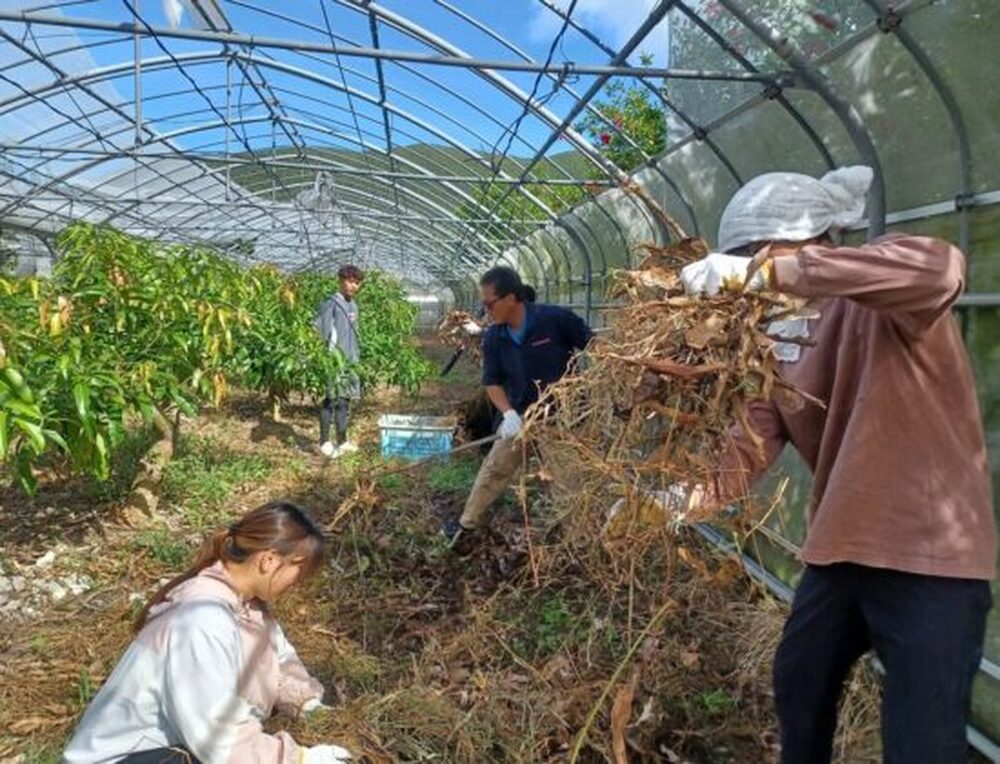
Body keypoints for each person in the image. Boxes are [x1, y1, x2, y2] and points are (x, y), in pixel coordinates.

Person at [661, 166, 994, 763]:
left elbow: (942, 268)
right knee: (800, 685)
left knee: (922, 742)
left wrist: (772, 273)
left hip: (929, 557)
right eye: (740, 262)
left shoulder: (884, 297)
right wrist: (677, 501)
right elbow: (748, 444)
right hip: (839, 551)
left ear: (810, 242)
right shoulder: (781, 340)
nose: (748, 275)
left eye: (755, 256)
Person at [63, 502, 351, 764]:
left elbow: (279, 664)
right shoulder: (200, 618)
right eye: (299, 570)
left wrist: (307, 704)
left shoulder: (249, 609)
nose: (298, 582)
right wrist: (296, 759)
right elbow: (217, 736)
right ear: (269, 560)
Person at [442, 266, 593, 547]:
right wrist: (509, 414)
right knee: (494, 469)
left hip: (562, 418)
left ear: (511, 298)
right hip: (521, 417)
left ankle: (580, 542)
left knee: (568, 480)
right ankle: (466, 526)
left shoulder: (554, 320)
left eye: (489, 304)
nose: (486, 311)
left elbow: (596, 346)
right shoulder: (494, 337)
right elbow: (492, 382)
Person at [315, 265, 364, 459]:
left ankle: (342, 441)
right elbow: (322, 332)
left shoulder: (353, 305)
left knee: (345, 400)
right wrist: (326, 358)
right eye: (350, 281)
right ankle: (324, 442)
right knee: (331, 399)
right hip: (335, 360)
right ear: (340, 281)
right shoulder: (331, 303)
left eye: (357, 283)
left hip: (351, 361)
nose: (353, 286)